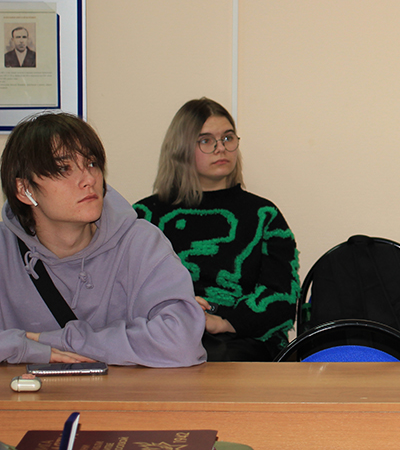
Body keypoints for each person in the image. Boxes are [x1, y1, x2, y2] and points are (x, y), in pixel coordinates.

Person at [0, 112, 206, 366]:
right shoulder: (4, 250)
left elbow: (181, 342)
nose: (89, 179)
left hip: (124, 391)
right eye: (63, 168)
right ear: (25, 190)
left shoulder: (140, 242)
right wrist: (23, 348)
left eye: (91, 164)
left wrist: (55, 341)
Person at [133, 98, 299, 362]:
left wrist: (223, 322)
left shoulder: (263, 215)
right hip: (165, 334)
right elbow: (123, 291)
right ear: (181, 149)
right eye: (206, 140)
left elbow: (281, 298)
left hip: (241, 342)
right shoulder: (144, 216)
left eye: (228, 138)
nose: (221, 148)